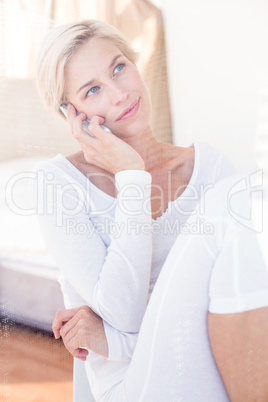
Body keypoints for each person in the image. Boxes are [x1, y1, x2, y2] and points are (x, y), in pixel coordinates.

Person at [31, 19, 268, 401]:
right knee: (235, 210)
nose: (120, 94)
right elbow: (124, 311)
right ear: (71, 115)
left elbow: (241, 301)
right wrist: (131, 176)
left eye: (119, 68)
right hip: (133, 384)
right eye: (93, 90)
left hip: (216, 358)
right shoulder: (57, 185)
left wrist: (113, 338)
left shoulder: (210, 167)